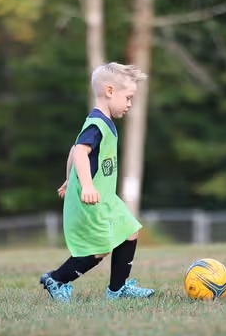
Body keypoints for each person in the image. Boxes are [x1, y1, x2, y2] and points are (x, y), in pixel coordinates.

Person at [39, 62, 155, 302]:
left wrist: (67, 179)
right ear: (110, 91)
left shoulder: (104, 122)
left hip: (105, 198)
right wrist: (86, 185)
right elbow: (80, 151)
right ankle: (56, 279)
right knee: (98, 250)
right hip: (92, 199)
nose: (130, 104)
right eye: (128, 98)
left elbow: (74, 151)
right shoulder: (97, 124)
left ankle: (117, 290)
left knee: (130, 232)